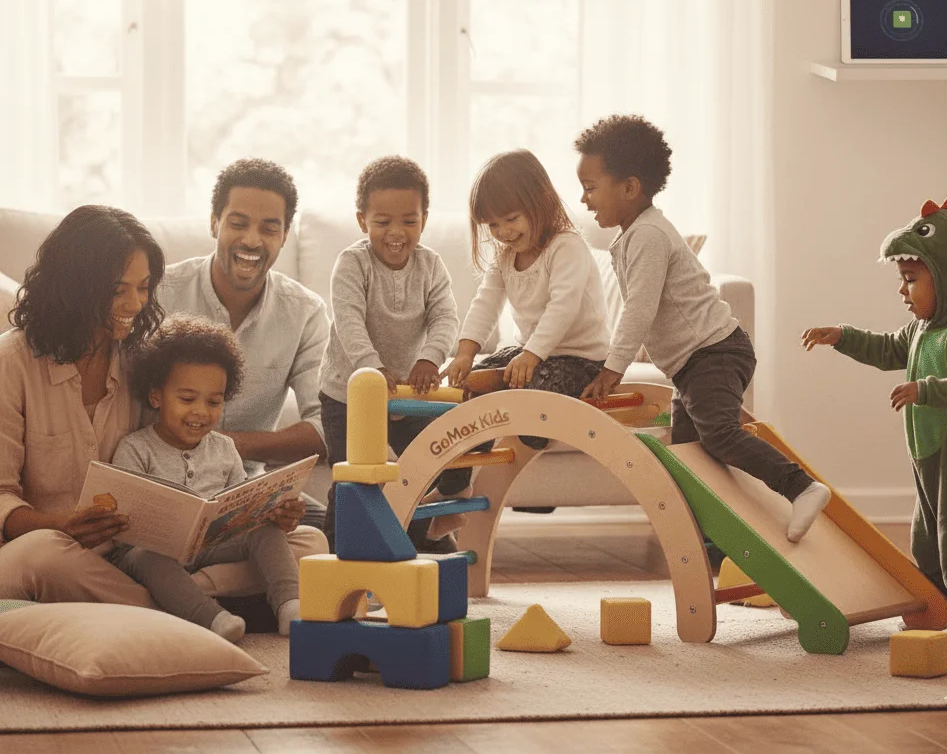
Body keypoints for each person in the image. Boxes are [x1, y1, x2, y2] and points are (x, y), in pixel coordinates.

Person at [574, 115, 830, 543]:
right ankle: (711, 545)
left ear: (630, 187)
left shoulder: (648, 235)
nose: (583, 199)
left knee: (719, 435)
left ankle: (800, 487)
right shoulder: (637, 233)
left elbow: (639, 308)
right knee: (689, 458)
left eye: (589, 187)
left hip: (714, 353)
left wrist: (612, 369)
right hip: (693, 365)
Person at [802, 195, 947, 646]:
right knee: (926, 540)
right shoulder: (923, 329)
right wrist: (842, 336)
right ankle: (937, 607)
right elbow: (886, 349)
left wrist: (927, 389)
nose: (903, 291)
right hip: (930, 461)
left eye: (911, 280)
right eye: (902, 280)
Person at [0, 206, 165, 604]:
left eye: (143, 287)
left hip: (132, 556)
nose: (135, 304)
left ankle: (170, 598)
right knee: (44, 556)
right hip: (43, 550)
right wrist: (63, 526)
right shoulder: (11, 362)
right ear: (74, 288)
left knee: (302, 541)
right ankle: (174, 605)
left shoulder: (143, 361)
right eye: (118, 290)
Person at [109, 315, 303, 641]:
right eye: (187, 399)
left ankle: (290, 606)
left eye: (214, 402)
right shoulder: (135, 448)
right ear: (156, 397)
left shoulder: (224, 448)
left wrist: (268, 511)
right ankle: (214, 619)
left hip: (211, 546)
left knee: (266, 532)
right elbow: (125, 524)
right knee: (145, 557)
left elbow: (241, 506)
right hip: (154, 553)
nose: (201, 411)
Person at [158, 159, 330, 526]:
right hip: (161, 479)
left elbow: (324, 426)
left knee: (343, 530)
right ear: (214, 223)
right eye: (238, 224)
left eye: (269, 228)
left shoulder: (306, 314)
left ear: (285, 235)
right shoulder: (160, 293)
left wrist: (225, 445)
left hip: (247, 487)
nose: (252, 240)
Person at [317, 156, 460, 552]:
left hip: (406, 394)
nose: (396, 233)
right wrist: (372, 368)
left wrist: (430, 358)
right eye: (382, 222)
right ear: (362, 220)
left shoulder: (431, 265)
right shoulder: (352, 263)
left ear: (424, 219)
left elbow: (445, 316)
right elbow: (348, 320)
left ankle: (416, 545)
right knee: (352, 480)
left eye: (409, 221)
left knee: (417, 472)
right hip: (348, 396)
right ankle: (335, 554)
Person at [444, 150, 610, 450]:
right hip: (530, 354)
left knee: (533, 397)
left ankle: (526, 424)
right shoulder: (504, 256)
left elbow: (563, 307)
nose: (503, 232)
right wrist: (466, 353)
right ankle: (469, 461)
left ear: (541, 202)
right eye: (492, 225)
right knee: (471, 384)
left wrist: (532, 355)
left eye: (511, 219)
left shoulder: (566, 247)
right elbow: (486, 302)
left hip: (581, 360)